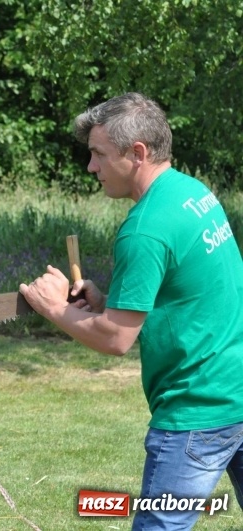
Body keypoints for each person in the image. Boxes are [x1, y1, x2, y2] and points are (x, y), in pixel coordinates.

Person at [20, 92, 243, 530]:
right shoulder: (193, 193)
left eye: (99, 154)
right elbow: (186, 295)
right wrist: (106, 303)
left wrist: (52, 308)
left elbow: (115, 339)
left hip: (198, 409)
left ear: (137, 153)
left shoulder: (144, 229)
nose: (91, 167)